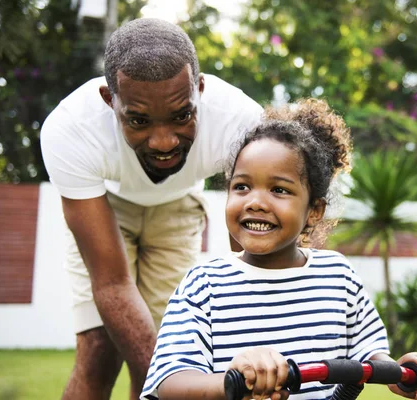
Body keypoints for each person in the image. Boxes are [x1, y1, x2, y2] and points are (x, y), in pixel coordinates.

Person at [141, 99, 417, 400]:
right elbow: (170, 382)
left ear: (314, 210)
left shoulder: (338, 277)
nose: (255, 202)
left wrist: (397, 373)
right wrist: (232, 382)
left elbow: (369, 352)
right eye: (242, 186)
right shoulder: (204, 284)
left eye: (279, 190)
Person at [40, 18, 263, 400]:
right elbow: (111, 283)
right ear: (110, 101)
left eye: (181, 116)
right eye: (138, 120)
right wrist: (172, 383)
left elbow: (247, 264)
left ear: (200, 89)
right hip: (105, 207)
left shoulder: (240, 122)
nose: (163, 142)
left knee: (173, 344)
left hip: (177, 212)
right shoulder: (70, 129)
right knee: (100, 351)